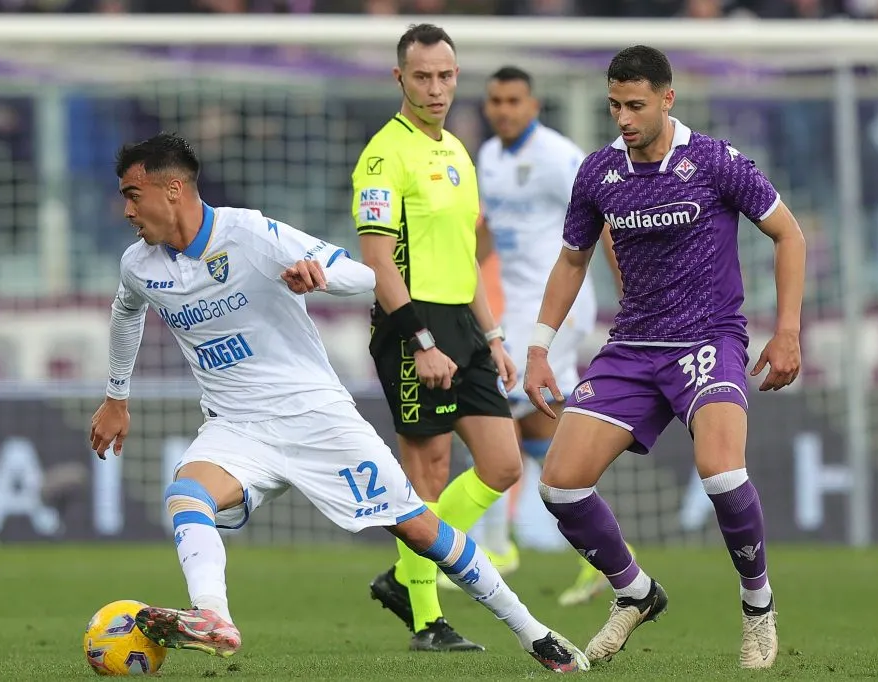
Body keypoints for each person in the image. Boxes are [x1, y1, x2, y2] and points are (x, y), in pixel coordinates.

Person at [88, 132, 590, 674]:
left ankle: (534, 633)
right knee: (187, 496)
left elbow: (365, 274)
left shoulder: (250, 234)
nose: (125, 210)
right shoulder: (139, 264)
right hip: (238, 425)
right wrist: (116, 396)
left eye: (133, 194)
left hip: (316, 417)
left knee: (419, 529)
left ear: (173, 189)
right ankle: (214, 617)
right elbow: (126, 312)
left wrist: (320, 278)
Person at [524, 46, 806, 670]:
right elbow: (573, 260)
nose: (622, 118)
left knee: (721, 472)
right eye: (614, 106)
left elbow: (790, 233)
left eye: (635, 105)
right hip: (632, 347)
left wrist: (787, 331)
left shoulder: (713, 161)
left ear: (666, 99)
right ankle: (635, 592)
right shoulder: (599, 173)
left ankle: (757, 607)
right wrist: (539, 345)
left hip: (707, 340)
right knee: (560, 488)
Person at [352, 24, 525, 653]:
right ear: (400, 78)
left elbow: (467, 256)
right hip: (410, 324)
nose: (435, 88)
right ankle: (427, 620)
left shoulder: (457, 150)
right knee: (426, 470)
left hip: (464, 322)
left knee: (503, 463)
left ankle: (406, 573)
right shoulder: (382, 155)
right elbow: (376, 258)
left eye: (445, 76)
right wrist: (422, 341)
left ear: (458, 77)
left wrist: (496, 336)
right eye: (421, 76)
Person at [442, 65, 631, 608]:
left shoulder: (557, 156)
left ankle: (498, 548)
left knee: (485, 414)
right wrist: (451, 282)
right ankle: (604, 553)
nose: (502, 109)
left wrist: (630, 293)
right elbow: (489, 234)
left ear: (533, 105)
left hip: (558, 308)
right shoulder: (491, 159)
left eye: (513, 100)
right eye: (494, 100)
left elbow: (609, 218)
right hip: (521, 306)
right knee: (533, 434)